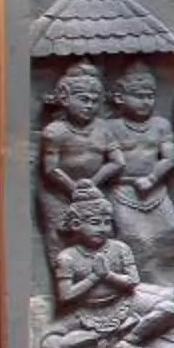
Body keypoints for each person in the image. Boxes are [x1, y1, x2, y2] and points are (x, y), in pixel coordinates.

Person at [38, 183, 174, 348]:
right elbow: (66, 295)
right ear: (76, 224)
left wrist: (108, 275)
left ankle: (127, 341)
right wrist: (94, 277)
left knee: (168, 308)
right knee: (50, 345)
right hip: (85, 311)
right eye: (95, 223)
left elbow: (133, 281)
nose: (102, 228)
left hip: (122, 303)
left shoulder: (119, 248)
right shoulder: (68, 257)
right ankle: (102, 339)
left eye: (107, 222)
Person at [103, 62, 174, 284]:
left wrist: (152, 178)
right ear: (120, 97)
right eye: (139, 96)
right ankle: (131, 283)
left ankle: (166, 281)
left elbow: (169, 157)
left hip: (155, 190)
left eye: (150, 96)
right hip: (123, 190)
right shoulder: (110, 127)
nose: (146, 101)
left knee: (169, 231)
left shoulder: (160, 125)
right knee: (131, 237)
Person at [35, 61, 118, 240]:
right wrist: (73, 188)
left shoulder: (103, 129)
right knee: (59, 234)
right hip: (58, 192)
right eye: (83, 99)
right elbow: (51, 169)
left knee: (101, 233)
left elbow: (118, 161)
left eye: (95, 101)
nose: (89, 106)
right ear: (65, 98)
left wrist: (93, 183)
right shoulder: (56, 131)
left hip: (95, 190)